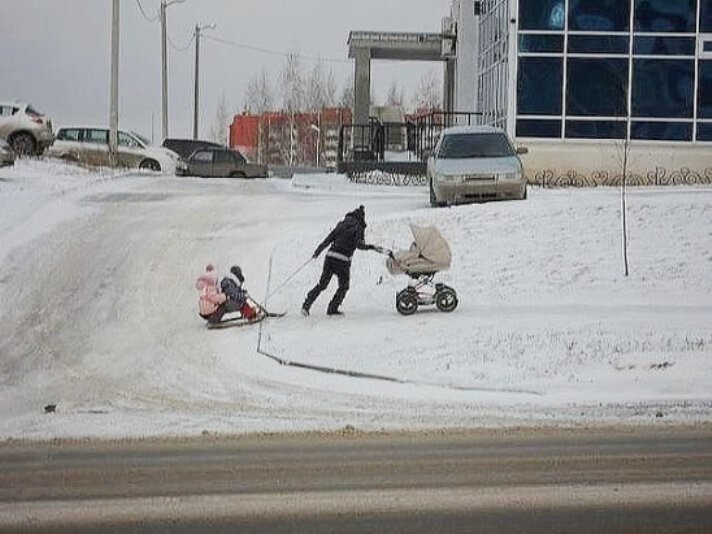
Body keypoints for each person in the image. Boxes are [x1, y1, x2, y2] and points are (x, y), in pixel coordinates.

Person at [302, 205, 374, 316]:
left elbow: (328, 238)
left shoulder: (341, 224)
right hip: (343, 260)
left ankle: (306, 306)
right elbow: (359, 245)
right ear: (361, 218)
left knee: (322, 285)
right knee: (344, 286)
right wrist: (371, 247)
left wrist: (318, 251)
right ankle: (332, 308)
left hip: (330, 257)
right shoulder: (359, 227)